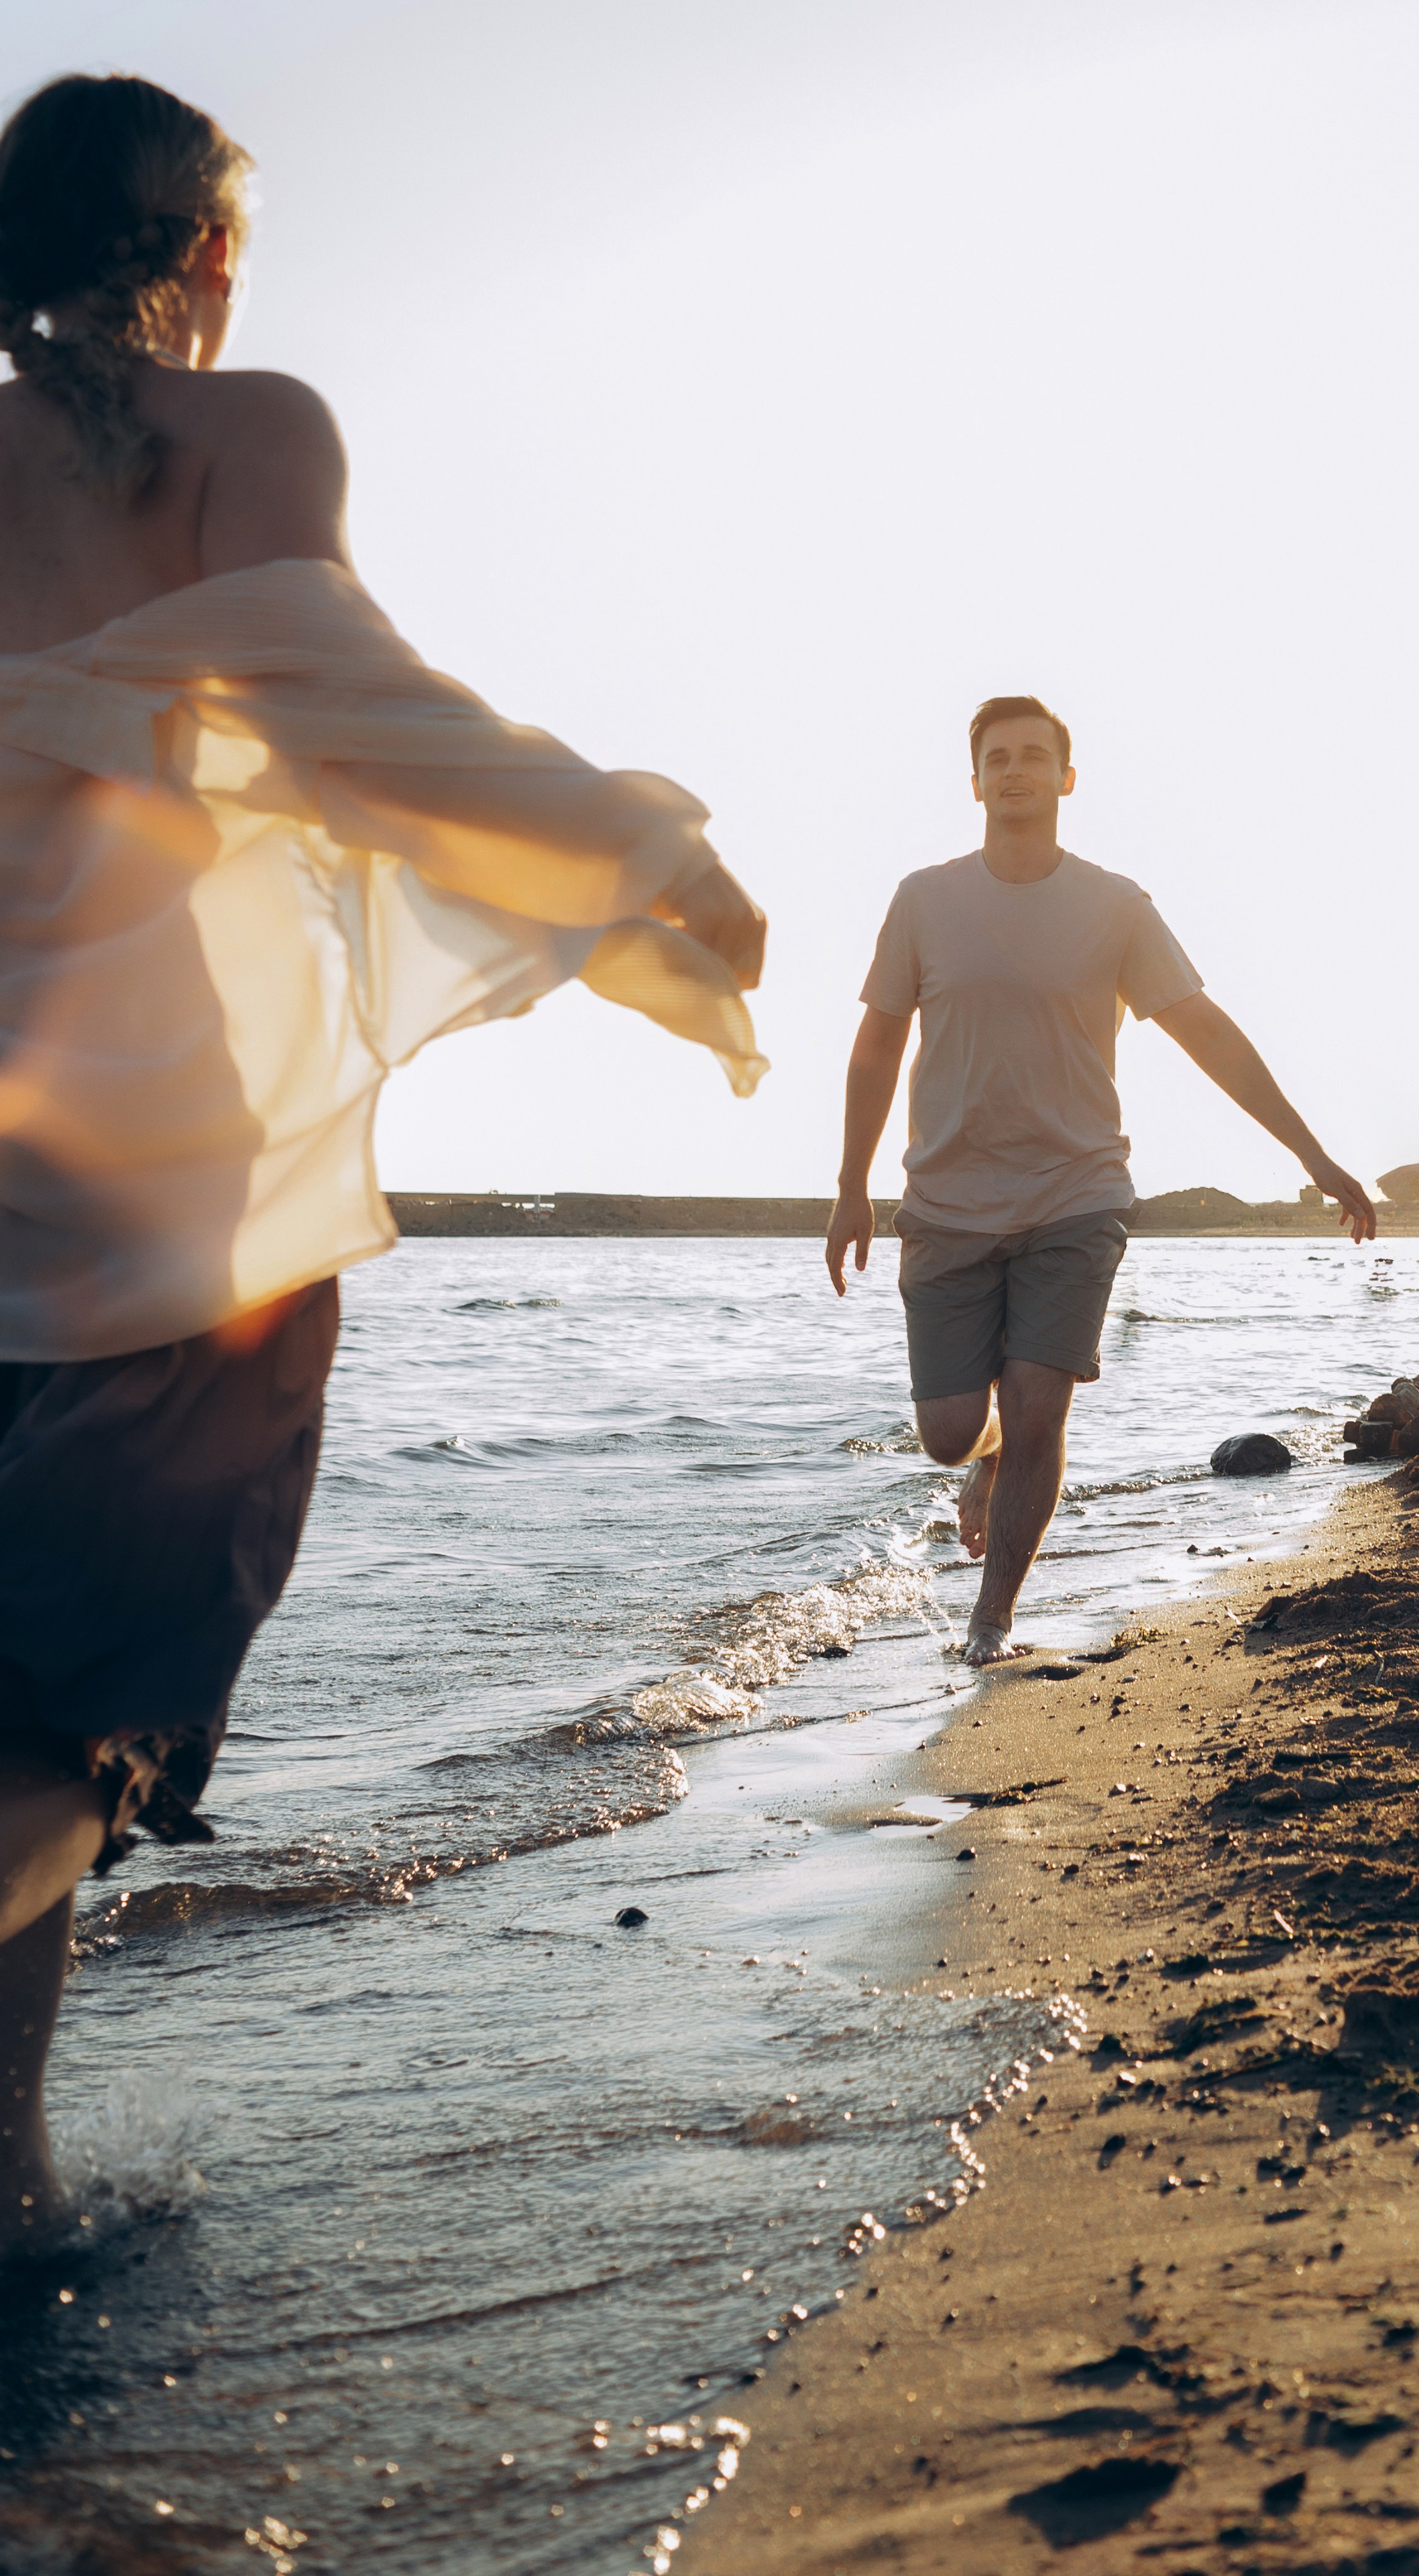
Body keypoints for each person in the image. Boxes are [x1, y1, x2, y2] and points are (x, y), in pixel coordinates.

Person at [0, 72, 768, 2253]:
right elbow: (355, 705)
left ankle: (11, 2177)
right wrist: (646, 859)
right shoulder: (242, 433)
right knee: (73, 1706)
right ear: (203, 255)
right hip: (161, 1191)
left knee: (20, 1702)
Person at [826, 694, 1373, 1668]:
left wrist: (1312, 1155)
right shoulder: (924, 901)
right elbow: (876, 1047)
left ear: (1067, 778)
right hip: (946, 1203)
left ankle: (990, 1625)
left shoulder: (1116, 907)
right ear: (975, 783)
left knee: (1041, 1408)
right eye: (998, 758)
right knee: (950, 1433)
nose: (1016, 770)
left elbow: (1207, 1033)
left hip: (1075, 1198)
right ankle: (986, 1457)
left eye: (1034, 755)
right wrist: (850, 1185)